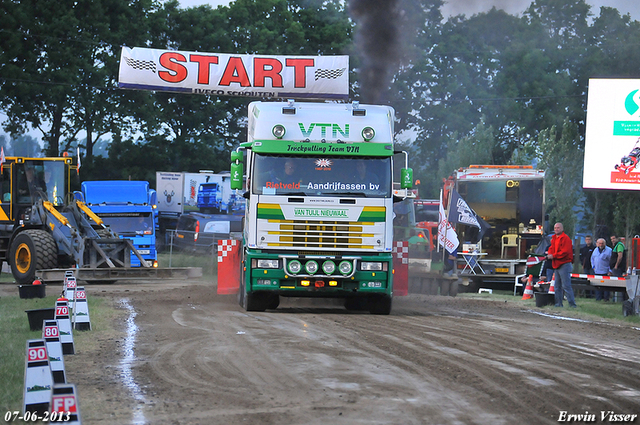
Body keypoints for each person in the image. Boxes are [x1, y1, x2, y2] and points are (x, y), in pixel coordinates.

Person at [547, 222, 576, 308]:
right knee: (557, 286)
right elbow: (551, 248)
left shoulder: (566, 238)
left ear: (562, 229)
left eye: (558, 228)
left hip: (564, 264)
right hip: (557, 264)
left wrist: (553, 256)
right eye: (555, 228)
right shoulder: (554, 239)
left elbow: (565, 252)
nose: (556, 229)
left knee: (566, 286)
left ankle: (572, 304)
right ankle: (558, 304)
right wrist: (550, 254)